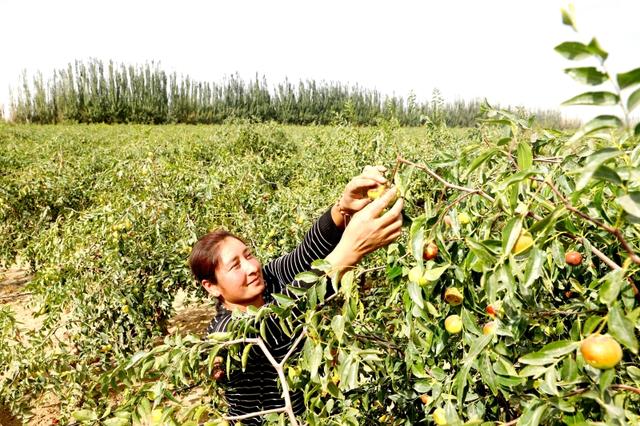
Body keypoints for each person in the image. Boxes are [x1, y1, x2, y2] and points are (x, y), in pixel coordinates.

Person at [188, 166, 403, 424]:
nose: (251, 267)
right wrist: (349, 253)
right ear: (211, 287)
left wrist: (342, 209)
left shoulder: (269, 279)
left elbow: (306, 254)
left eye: (248, 255)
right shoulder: (224, 334)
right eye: (235, 265)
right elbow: (279, 321)